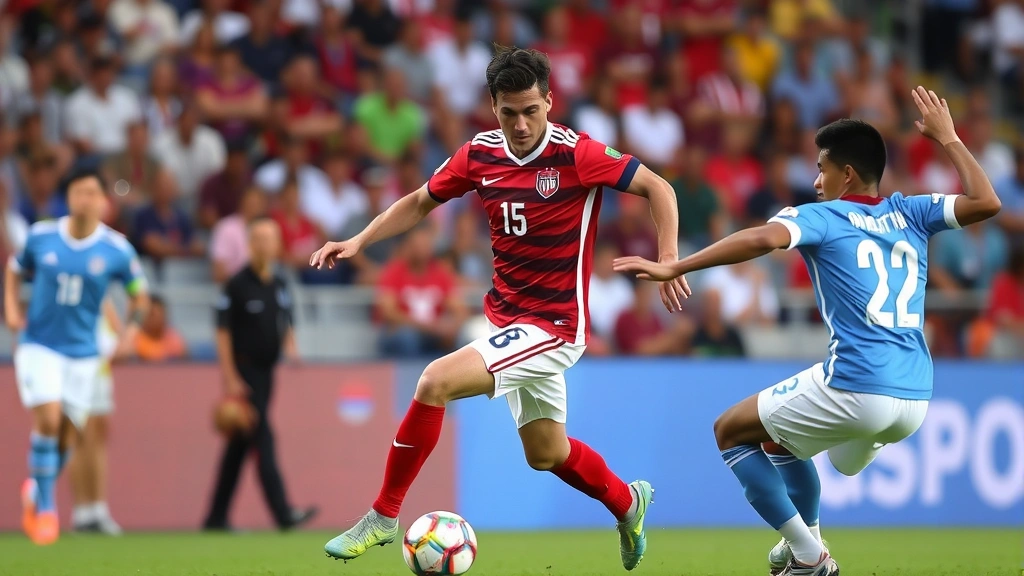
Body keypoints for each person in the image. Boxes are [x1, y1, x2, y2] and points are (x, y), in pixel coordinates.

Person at [311, 46, 688, 571]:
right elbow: (419, 201)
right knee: (546, 453)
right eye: (509, 112)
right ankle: (628, 503)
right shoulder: (479, 154)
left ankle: (384, 514)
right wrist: (360, 239)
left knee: (434, 381)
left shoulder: (577, 154)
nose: (521, 124)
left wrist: (669, 257)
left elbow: (658, 187)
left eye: (531, 110)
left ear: (550, 102)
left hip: (555, 325)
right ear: (493, 106)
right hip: (505, 319)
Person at [613, 88, 1002, 576]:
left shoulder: (820, 215)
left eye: (822, 169)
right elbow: (987, 200)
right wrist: (948, 137)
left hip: (858, 386)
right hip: (916, 398)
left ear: (847, 174)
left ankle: (809, 555)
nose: (816, 180)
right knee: (784, 444)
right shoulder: (913, 211)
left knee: (729, 431)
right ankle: (805, 544)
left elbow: (759, 239)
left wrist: (678, 265)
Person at [4, 169, 150, 545]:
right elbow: (14, 270)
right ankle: (47, 510)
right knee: (49, 420)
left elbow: (139, 295)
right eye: (77, 192)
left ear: (104, 200)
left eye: (91, 193)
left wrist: (130, 333)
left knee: (68, 435)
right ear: (68, 197)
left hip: (85, 354)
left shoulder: (116, 249)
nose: (84, 199)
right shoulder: (42, 235)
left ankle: (36, 489)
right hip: (40, 345)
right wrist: (11, 310)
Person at [203, 217, 317, 531]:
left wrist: (291, 346)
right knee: (263, 438)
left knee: (238, 448)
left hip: (267, 373)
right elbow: (222, 330)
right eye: (260, 238)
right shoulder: (236, 284)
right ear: (250, 244)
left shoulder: (279, 284)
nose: (266, 244)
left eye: (272, 238)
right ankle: (283, 513)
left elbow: (286, 319)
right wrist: (229, 376)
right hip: (244, 372)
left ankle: (215, 517)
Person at [67, 299, 131, 534]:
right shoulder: (67, 291)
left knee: (98, 440)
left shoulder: (102, 297)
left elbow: (119, 335)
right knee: (77, 440)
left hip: (100, 374)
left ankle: (98, 510)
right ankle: (81, 511)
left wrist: (121, 343)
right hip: (74, 372)